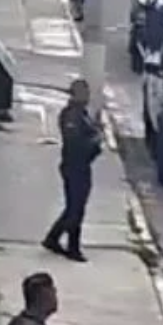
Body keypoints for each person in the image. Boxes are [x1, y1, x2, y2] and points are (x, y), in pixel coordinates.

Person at [42, 79, 102, 262]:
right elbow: (75, 143)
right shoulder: (71, 116)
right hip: (74, 166)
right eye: (84, 93)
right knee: (75, 208)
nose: (87, 97)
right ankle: (72, 247)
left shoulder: (82, 114)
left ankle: (53, 238)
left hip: (82, 166)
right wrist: (95, 140)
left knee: (74, 207)